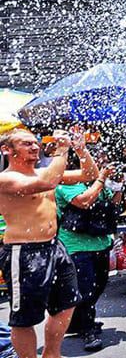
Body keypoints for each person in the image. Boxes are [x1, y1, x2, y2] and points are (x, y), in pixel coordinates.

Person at [0, 128, 98, 358]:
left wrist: (81, 150)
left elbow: (88, 174)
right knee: (24, 318)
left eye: (35, 143)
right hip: (23, 251)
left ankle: (51, 354)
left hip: (54, 247)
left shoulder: (44, 171)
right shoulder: (5, 178)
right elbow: (46, 182)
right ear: (6, 150)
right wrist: (62, 151)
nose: (34, 147)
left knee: (67, 303)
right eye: (26, 144)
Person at [56, 154, 124, 351]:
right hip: (75, 246)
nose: (97, 167)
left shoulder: (96, 182)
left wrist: (118, 185)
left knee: (99, 286)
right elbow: (84, 201)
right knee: (85, 289)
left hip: (100, 243)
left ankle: (79, 321)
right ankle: (88, 329)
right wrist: (101, 178)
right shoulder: (66, 183)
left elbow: (114, 204)